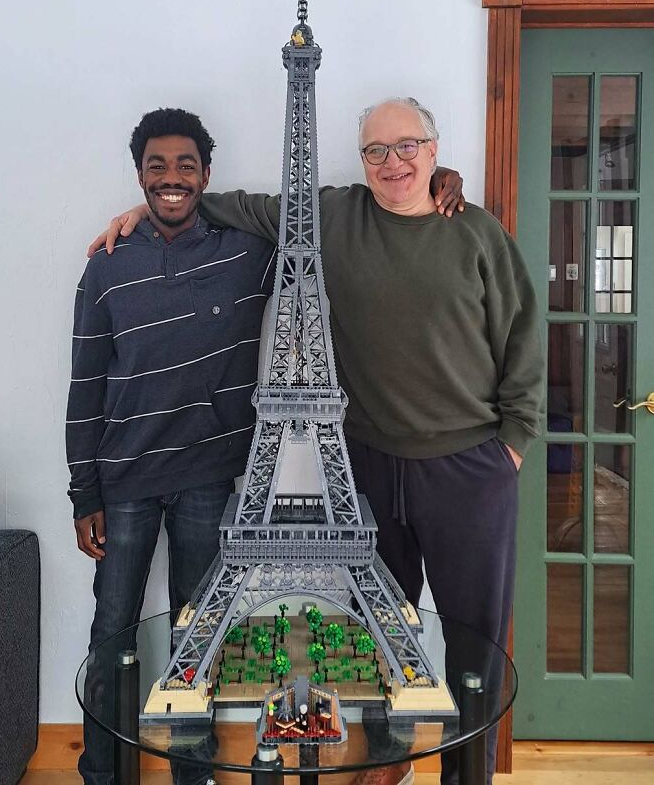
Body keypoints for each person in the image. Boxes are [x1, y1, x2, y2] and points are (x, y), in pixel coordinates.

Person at [93, 97, 543, 785]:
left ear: (434, 148)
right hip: (371, 460)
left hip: (466, 467)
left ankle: (467, 779)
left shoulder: (476, 232)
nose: (393, 162)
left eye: (408, 146)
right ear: (361, 159)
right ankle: (386, 764)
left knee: (473, 644)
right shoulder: (335, 214)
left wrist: (510, 443)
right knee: (383, 634)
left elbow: (524, 342)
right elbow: (244, 207)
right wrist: (150, 213)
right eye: (376, 151)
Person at [66, 107, 278, 785]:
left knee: (198, 633)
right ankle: (104, 770)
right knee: (112, 631)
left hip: (209, 474)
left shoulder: (246, 251)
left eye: (185, 164)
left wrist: (438, 179)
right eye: (156, 166)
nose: (171, 178)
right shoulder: (105, 266)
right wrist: (83, 491)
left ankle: (195, 772)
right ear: (139, 175)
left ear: (207, 174)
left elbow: (313, 226)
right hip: (123, 475)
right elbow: (86, 381)